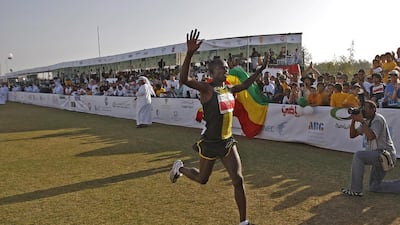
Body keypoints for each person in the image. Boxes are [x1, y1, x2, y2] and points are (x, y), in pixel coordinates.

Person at [169, 29, 263, 225]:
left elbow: (245, 85)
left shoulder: (229, 88)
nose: (227, 70)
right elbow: (184, 80)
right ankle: (181, 168)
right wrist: (189, 53)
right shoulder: (206, 89)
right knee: (203, 179)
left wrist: (260, 71)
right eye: (223, 68)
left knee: (238, 179)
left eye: (227, 67)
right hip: (210, 143)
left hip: (228, 142)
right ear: (212, 72)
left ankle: (244, 222)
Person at [341, 100, 400, 196]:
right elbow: (352, 135)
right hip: (380, 155)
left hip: (385, 155)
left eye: (365, 109)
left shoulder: (378, 119)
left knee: (358, 156)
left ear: (373, 109)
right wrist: (353, 120)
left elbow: (371, 136)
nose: (363, 111)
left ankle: (356, 189)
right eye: (362, 108)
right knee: (374, 186)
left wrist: (361, 121)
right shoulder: (367, 121)